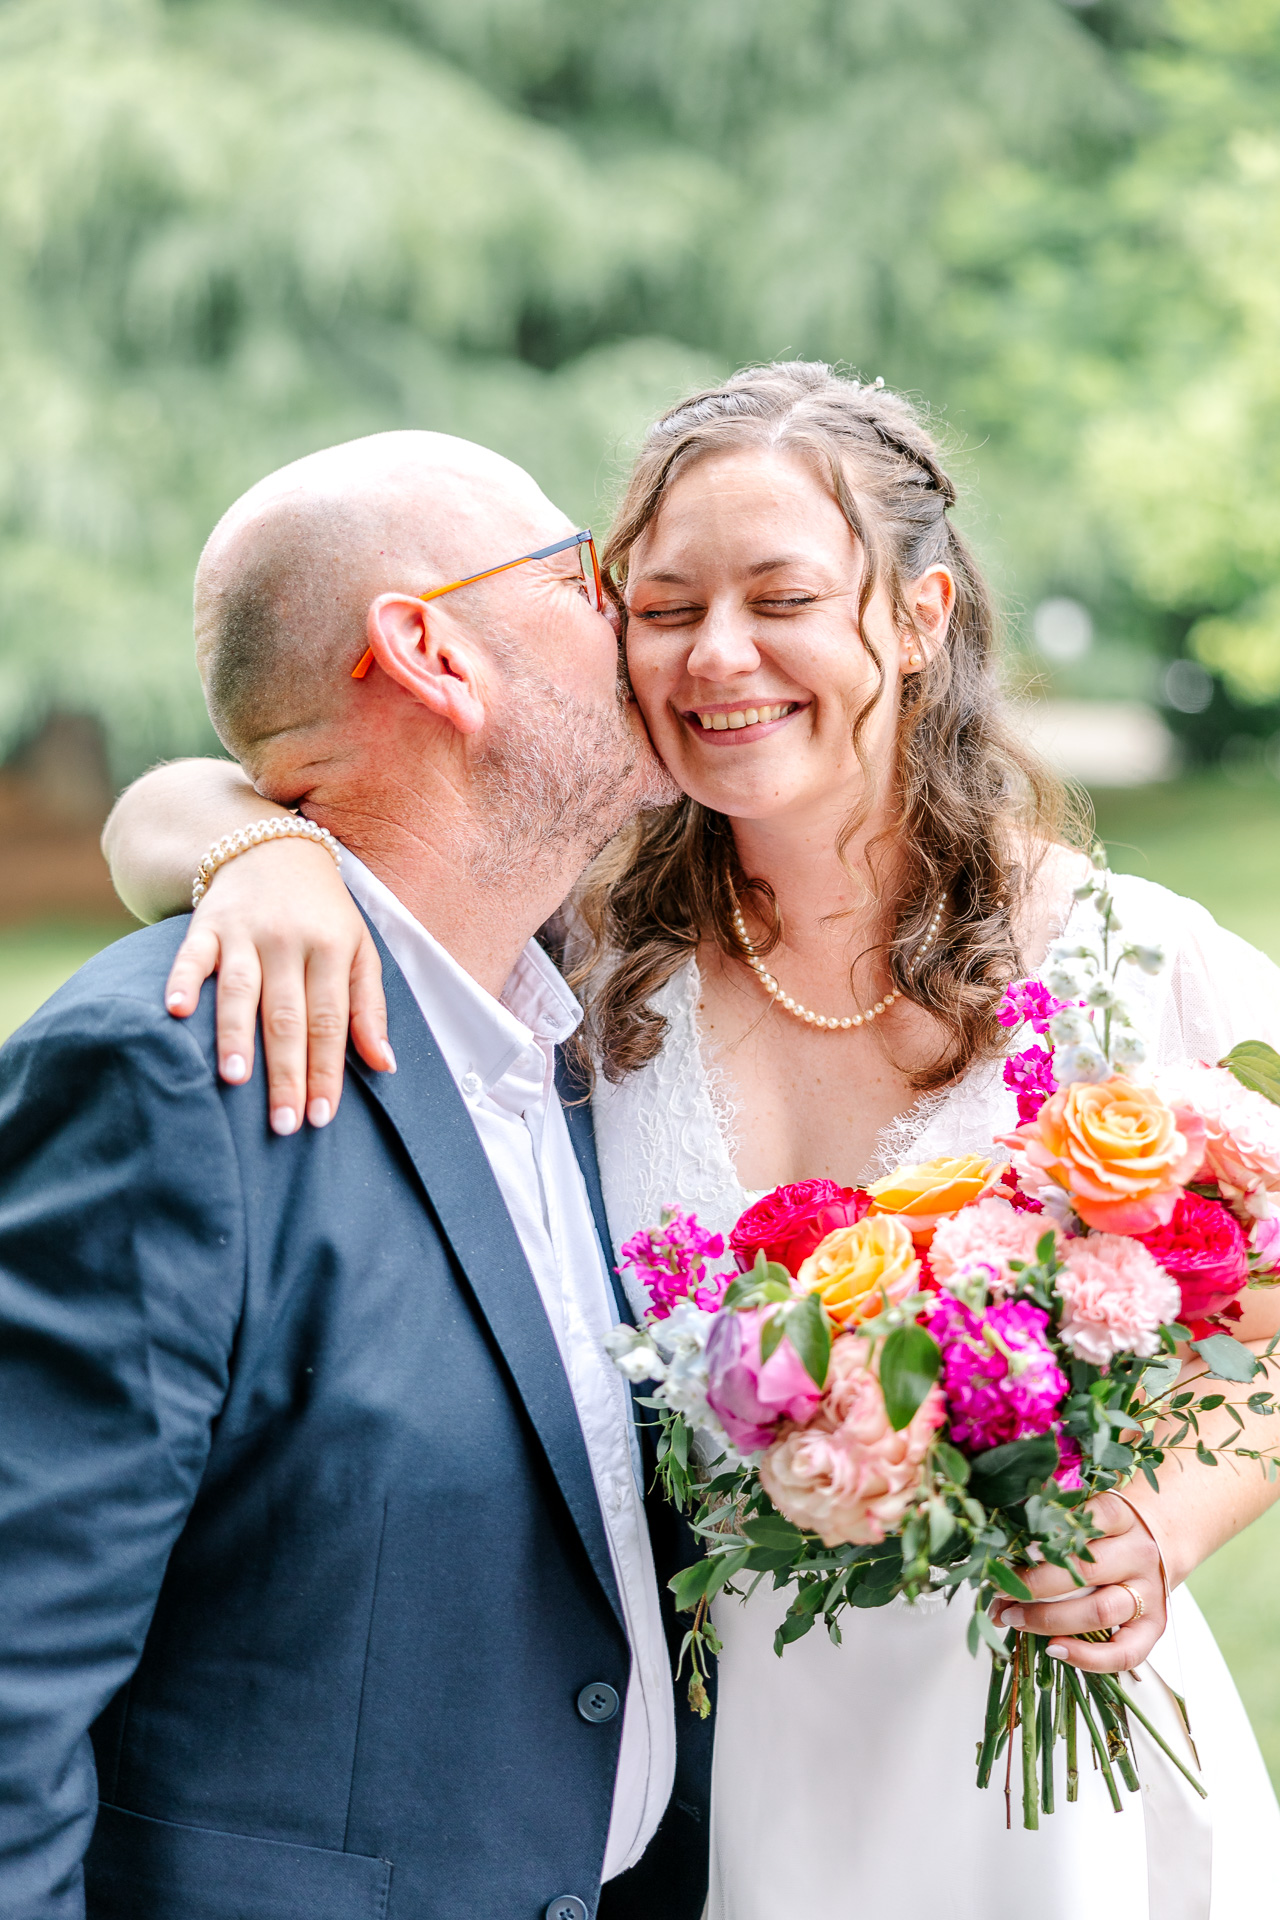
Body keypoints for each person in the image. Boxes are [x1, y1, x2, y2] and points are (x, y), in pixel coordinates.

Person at [106, 365, 1280, 1920]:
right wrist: (257, 848)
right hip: (714, 1799)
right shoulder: (585, 950)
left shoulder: (1129, 961)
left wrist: (1161, 1525)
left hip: (1055, 1785)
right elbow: (176, 793)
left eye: (782, 597)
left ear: (921, 614)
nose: (719, 656)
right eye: (663, 608)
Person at [0, 429, 719, 1920]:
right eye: (586, 578)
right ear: (432, 652)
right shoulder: (170, 1071)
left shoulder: (622, 1032)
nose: (642, 618)